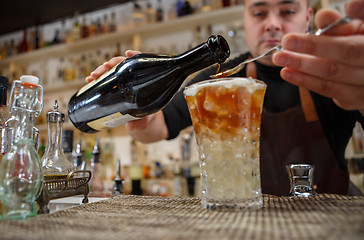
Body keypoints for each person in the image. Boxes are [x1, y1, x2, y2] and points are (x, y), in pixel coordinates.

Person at [86, 0, 364, 196]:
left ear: (308, 16)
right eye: (258, 13)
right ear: (244, 19)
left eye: (288, 10)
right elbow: (158, 125)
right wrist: (140, 111)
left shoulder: (336, 71)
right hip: (245, 222)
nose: (272, 24)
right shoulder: (220, 79)